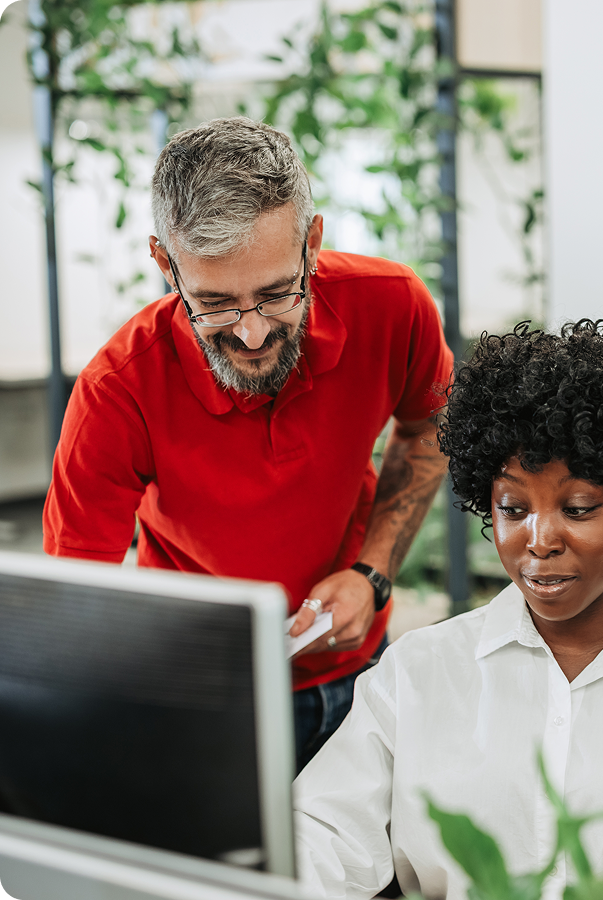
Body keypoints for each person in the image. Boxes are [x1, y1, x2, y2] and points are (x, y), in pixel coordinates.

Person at [293, 320, 603, 900]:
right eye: (512, 506)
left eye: (578, 508)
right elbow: (319, 841)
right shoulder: (418, 674)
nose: (539, 539)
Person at [42, 117, 453, 771]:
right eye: (215, 303)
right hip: (204, 703)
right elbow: (76, 606)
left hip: (364, 675)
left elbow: (429, 424)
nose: (255, 334)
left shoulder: (392, 305)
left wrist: (372, 574)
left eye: (275, 293)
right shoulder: (117, 390)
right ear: (164, 262)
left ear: (311, 243)